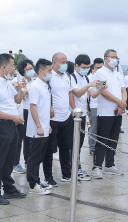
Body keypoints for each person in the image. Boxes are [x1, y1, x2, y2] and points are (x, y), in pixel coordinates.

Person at [0, 53, 27, 204]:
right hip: (2, 125)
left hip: (12, 125)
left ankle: (9, 189)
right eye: (12, 65)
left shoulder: (7, 82)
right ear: (4, 67)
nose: (13, 68)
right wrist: (12, 117)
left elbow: (16, 99)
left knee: (9, 160)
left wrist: (22, 88)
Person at [91, 49, 126, 178]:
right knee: (102, 140)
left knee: (113, 139)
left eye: (116, 57)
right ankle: (97, 167)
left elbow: (123, 89)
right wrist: (119, 102)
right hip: (105, 112)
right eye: (113, 57)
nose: (115, 59)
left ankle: (110, 165)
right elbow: (104, 92)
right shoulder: (100, 73)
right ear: (106, 58)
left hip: (118, 112)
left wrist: (122, 104)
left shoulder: (117, 74)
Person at [46, 53, 78, 186]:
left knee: (66, 147)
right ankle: (48, 177)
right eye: (62, 62)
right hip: (53, 118)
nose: (65, 64)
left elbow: (70, 93)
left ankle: (67, 174)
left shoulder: (67, 76)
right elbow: (45, 93)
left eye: (66, 61)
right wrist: (49, 107)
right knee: (49, 149)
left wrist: (74, 108)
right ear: (54, 63)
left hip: (66, 116)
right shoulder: (48, 77)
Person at [26, 59, 53, 195]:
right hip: (37, 130)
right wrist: (39, 126)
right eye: (49, 70)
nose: (51, 73)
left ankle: (37, 180)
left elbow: (44, 108)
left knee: (40, 156)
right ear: (41, 71)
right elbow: (33, 107)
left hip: (44, 127)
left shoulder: (44, 85)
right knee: (34, 158)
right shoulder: (35, 86)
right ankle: (32, 185)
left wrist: (47, 125)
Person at [72, 55, 99, 181]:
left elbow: (92, 95)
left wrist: (101, 89)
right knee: (73, 144)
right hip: (74, 116)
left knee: (80, 143)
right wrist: (88, 85)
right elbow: (77, 93)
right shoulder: (72, 77)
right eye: (83, 67)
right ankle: (75, 169)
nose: (85, 70)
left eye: (87, 67)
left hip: (83, 115)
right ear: (77, 66)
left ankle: (77, 168)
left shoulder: (86, 77)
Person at [12, 59, 34, 175]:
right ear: (22, 70)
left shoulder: (34, 81)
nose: (31, 71)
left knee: (29, 139)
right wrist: (19, 86)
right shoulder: (17, 80)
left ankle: (27, 162)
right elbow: (18, 91)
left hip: (31, 111)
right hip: (21, 112)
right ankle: (15, 163)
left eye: (32, 68)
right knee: (18, 139)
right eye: (28, 69)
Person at [87, 58, 103, 156]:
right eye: (97, 68)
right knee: (93, 128)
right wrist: (87, 108)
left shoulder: (102, 78)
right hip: (93, 106)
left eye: (101, 67)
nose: (99, 69)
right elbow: (89, 95)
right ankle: (92, 148)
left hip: (103, 106)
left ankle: (101, 147)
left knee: (102, 128)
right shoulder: (89, 78)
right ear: (93, 68)